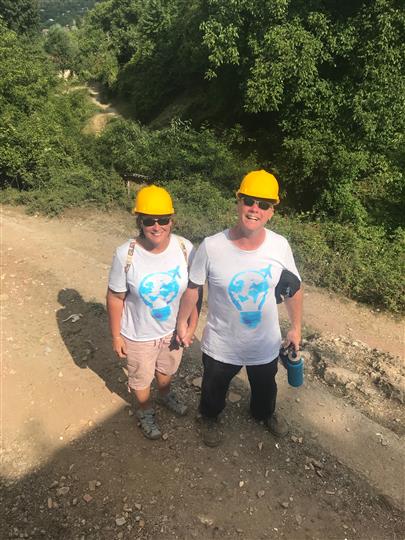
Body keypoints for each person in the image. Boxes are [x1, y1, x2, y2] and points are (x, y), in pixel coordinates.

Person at [176, 170, 303, 447]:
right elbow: (193, 288)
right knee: (213, 388)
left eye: (263, 204)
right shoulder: (211, 246)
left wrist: (295, 328)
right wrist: (183, 324)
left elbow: (293, 288)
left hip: (264, 343)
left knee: (266, 387)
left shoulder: (280, 246)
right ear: (238, 202)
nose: (255, 209)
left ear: (272, 212)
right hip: (222, 343)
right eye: (249, 201)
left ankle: (264, 414)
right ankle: (208, 417)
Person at [107, 184, 198, 440]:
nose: (157, 226)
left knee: (167, 368)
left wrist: (191, 325)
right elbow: (115, 297)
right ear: (140, 221)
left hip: (172, 329)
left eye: (163, 220)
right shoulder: (126, 254)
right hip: (138, 334)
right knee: (140, 377)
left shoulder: (185, 248)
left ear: (172, 220)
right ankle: (145, 410)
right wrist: (116, 336)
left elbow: (193, 290)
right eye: (149, 220)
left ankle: (166, 395)